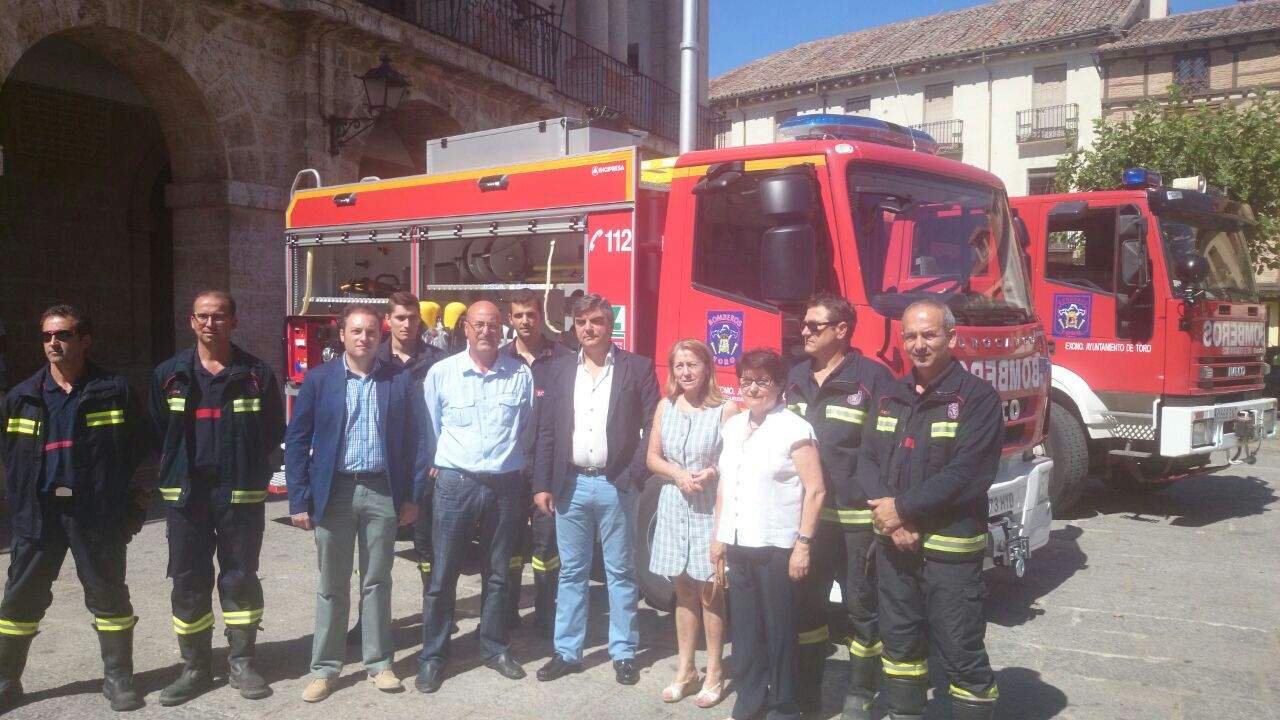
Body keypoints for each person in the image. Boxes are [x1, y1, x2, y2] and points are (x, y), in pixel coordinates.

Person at [0, 305, 152, 712]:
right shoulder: (21, 397)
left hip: (95, 514)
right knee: (19, 600)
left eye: (63, 335)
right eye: (47, 335)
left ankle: (118, 678)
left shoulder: (114, 390)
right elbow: (10, 458)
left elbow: (142, 450)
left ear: (85, 340)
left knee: (109, 597)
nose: (53, 343)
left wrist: (134, 503)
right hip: (40, 515)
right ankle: (6, 680)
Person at [859, 298, 1003, 720]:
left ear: (951, 338)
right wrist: (893, 521)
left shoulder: (977, 399)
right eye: (911, 336)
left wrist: (901, 510)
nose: (919, 344)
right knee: (900, 647)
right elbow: (866, 460)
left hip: (950, 553)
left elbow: (967, 474)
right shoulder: (889, 395)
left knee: (960, 652)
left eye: (929, 334)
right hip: (895, 548)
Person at [149, 291, 285, 705]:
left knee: (240, 577)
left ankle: (241, 662)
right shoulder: (169, 374)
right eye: (203, 317)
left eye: (220, 316)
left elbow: (272, 430)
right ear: (191, 322)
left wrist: (250, 470)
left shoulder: (255, 374)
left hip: (238, 494)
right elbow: (160, 431)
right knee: (188, 581)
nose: (211, 324)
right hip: (187, 495)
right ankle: (195, 667)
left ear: (234, 322)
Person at [284, 303, 424, 703]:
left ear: (379, 338)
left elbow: (416, 440)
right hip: (335, 493)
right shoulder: (319, 380)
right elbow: (297, 441)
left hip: (382, 491)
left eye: (371, 333)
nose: (364, 338)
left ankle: (379, 663)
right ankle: (325, 669)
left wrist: (412, 496)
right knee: (332, 584)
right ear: (342, 335)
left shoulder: (399, 380)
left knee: (377, 581)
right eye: (356, 331)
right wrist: (299, 498)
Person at [532, 293, 659, 686]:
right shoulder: (559, 369)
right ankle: (567, 651)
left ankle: (623, 651)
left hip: (615, 484)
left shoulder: (635, 368)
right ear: (574, 326)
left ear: (610, 325)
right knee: (572, 572)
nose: (589, 329)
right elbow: (548, 430)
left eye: (597, 322)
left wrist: (634, 473)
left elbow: (656, 421)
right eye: (582, 322)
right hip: (570, 484)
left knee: (621, 572)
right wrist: (542, 485)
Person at [784, 294, 894, 719]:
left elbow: (883, 451)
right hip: (806, 523)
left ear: (841, 330)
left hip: (855, 521)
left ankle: (861, 692)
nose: (805, 331)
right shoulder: (794, 377)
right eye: (805, 324)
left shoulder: (873, 379)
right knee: (807, 606)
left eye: (815, 325)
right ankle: (808, 693)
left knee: (860, 608)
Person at [417, 301, 535, 693]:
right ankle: (433, 656)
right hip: (455, 483)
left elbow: (527, 426)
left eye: (493, 324)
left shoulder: (520, 375)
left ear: (503, 330)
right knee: (443, 573)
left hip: (504, 485)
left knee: (499, 573)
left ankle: (495, 646)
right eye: (479, 324)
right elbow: (432, 426)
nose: (486, 330)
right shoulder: (442, 373)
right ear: (465, 328)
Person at [710, 348, 824, 720]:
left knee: (779, 631)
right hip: (739, 543)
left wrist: (803, 545)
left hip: (778, 546)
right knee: (744, 631)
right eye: (746, 381)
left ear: (780, 386)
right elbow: (726, 485)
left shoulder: (795, 428)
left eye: (762, 381)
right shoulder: (733, 426)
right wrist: (719, 537)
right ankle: (750, 698)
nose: (753, 388)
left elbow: (816, 490)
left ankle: (784, 706)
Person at [646, 339, 736, 707]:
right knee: (683, 591)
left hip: (708, 507)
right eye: (679, 366)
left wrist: (712, 470)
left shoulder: (725, 410)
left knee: (710, 592)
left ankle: (714, 671)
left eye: (693, 365)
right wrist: (677, 473)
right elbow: (652, 457)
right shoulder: (665, 406)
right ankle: (686, 669)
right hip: (673, 504)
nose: (685, 372)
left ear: (707, 368)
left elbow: (734, 463)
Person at [500, 290, 572, 634]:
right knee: (510, 545)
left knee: (546, 548)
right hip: (511, 470)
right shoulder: (500, 359)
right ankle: (509, 612)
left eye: (530, 314)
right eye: (518, 315)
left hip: (549, 469)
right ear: (510, 320)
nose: (525, 321)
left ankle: (546, 615)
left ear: (540, 316)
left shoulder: (562, 358)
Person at [377, 292, 443, 592]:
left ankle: (435, 615)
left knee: (427, 545)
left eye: (412, 318)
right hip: (382, 466)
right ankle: (372, 621)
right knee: (376, 550)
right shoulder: (372, 360)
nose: (407, 324)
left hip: (425, 466)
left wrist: (437, 458)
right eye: (400, 317)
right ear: (387, 321)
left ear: (420, 321)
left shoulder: (438, 363)